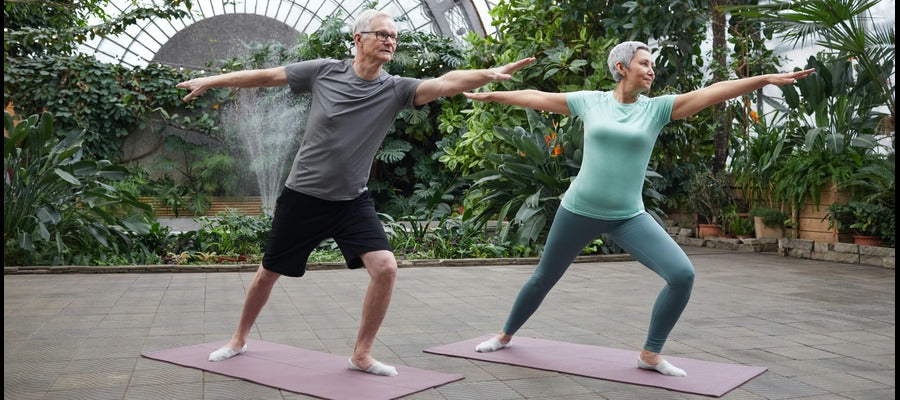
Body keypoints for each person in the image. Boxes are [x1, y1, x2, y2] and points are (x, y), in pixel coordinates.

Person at [176, 9, 534, 377]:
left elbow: (444, 82)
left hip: (351, 200)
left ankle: (361, 354)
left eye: (393, 37)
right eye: (381, 34)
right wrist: (214, 80)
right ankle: (238, 340)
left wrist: (488, 74)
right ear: (358, 39)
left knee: (386, 268)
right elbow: (268, 76)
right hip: (303, 195)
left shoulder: (396, 89)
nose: (389, 41)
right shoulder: (324, 71)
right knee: (268, 272)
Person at [464, 41, 814, 377]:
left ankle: (650, 353)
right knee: (543, 278)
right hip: (578, 210)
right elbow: (538, 98)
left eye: (652, 65)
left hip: (628, 216)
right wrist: (493, 93)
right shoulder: (591, 102)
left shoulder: (657, 108)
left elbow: (714, 91)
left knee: (682, 275)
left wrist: (763, 79)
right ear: (621, 67)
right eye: (644, 64)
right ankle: (505, 335)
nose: (651, 70)